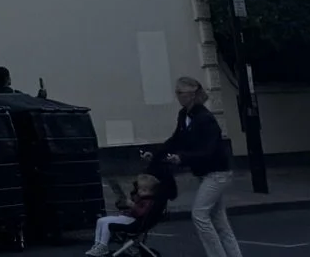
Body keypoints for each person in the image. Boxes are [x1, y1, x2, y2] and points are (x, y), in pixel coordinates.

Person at [149, 76, 240, 257]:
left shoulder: (205, 118)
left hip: (218, 173)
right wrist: (156, 155)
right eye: (177, 92)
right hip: (206, 173)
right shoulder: (184, 115)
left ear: (191, 95)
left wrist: (182, 158)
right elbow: (176, 140)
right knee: (219, 221)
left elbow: (208, 151)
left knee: (199, 215)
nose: (177, 96)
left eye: (180, 93)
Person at [86, 172, 169, 255]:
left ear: (152, 192)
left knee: (107, 224)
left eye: (144, 190)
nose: (140, 191)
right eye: (140, 189)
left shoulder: (148, 201)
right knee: (100, 221)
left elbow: (141, 213)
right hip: (127, 217)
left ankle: (103, 246)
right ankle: (98, 244)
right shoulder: (141, 197)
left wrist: (133, 206)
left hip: (132, 221)